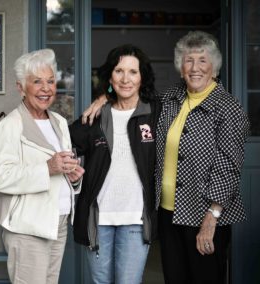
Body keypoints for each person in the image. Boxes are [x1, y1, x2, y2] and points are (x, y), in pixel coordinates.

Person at [82, 31, 250, 284]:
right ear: (180, 68)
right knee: (174, 278)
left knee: (205, 278)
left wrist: (211, 219)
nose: (195, 68)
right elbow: (131, 94)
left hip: (205, 215)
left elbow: (229, 167)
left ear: (214, 68)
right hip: (169, 213)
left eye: (202, 61)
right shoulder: (171, 99)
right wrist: (105, 96)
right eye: (188, 61)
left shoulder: (227, 107)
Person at [0, 48, 84, 284]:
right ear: (21, 87)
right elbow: (1, 177)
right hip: (28, 227)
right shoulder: (10, 125)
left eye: (50, 81)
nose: (46, 88)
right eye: (37, 81)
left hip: (57, 222)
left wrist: (73, 177)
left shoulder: (59, 122)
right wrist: (48, 168)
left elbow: (61, 168)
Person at [69, 44, 161, 284]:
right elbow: (62, 141)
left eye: (133, 72)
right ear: (110, 75)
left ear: (143, 77)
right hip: (99, 219)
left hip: (136, 219)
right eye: (119, 71)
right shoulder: (95, 117)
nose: (126, 79)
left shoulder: (156, 112)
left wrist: (104, 96)